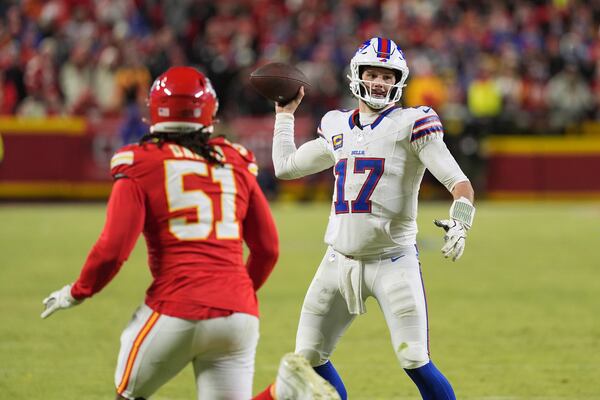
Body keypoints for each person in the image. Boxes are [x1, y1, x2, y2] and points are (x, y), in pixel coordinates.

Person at [41, 66, 339, 400]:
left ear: (154, 111)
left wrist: (77, 291)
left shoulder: (140, 161)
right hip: (237, 314)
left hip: (176, 307)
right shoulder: (234, 159)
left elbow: (112, 249)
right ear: (209, 113)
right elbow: (267, 248)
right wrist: (234, 294)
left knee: (128, 394)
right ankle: (282, 392)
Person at [271, 37, 476, 399]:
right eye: (373, 73)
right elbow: (286, 167)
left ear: (399, 80)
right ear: (357, 75)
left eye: (387, 75)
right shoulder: (336, 125)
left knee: (414, 358)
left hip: (393, 260)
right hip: (337, 260)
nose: (380, 82)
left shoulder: (413, 123)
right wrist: (284, 117)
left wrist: (461, 220)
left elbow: (460, 184)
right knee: (308, 357)